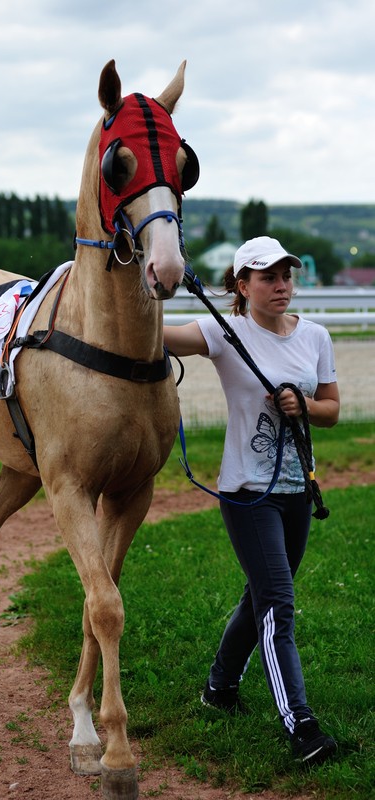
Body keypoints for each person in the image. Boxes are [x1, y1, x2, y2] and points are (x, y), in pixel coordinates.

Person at [164, 236, 340, 766]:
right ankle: (301, 725)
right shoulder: (224, 331)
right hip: (246, 493)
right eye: (267, 277)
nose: (281, 284)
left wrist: (302, 404)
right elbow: (161, 339)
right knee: (279, 603)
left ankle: (219, 689)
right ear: (242, 286)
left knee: (260, 596)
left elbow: (330, 409)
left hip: (297, 492)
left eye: (286, 274)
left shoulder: (315, 335)